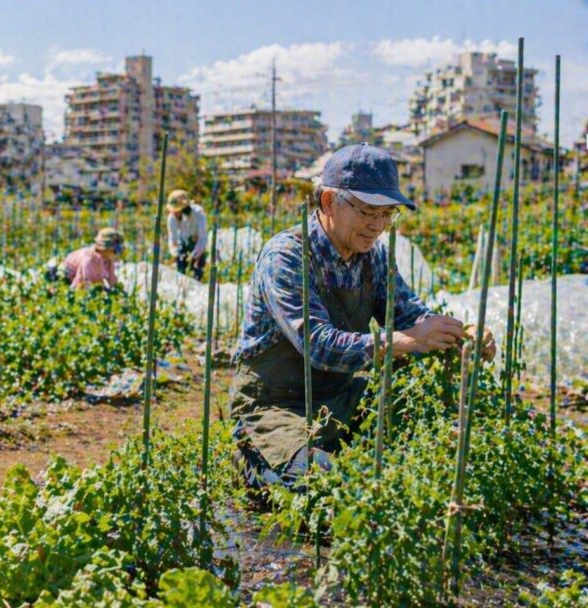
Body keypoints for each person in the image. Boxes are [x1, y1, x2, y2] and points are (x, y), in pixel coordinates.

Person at [230, 144, 496, 494]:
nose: (379, 226)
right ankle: (252, 460)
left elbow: (410, 314)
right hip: (276, 405)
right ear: (328, 202)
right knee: (326, 487)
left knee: (428, 439)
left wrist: (461, 332)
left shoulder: (373, 257)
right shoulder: (287, 257)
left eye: (388, 214)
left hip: (340, 397)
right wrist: (405, 340)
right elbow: (317, 344)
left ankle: (330, 452)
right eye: (369, 212)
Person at [55, 227, 125, 290]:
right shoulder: (88, 259)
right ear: (104, 249)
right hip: (66, 275)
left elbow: (112, 280)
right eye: (115, 251)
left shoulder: (108, 260)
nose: (116, 253)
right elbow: (81, 282)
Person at [166, 189, 208, 280]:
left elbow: (203, 238)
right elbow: (172, 239)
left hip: (197, 244)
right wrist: (176, 253)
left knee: (197, 271)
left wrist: (194, 256)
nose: (175, 213)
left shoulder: (199, 214)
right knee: (180, 270)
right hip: (183, 243)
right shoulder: (172, 218)